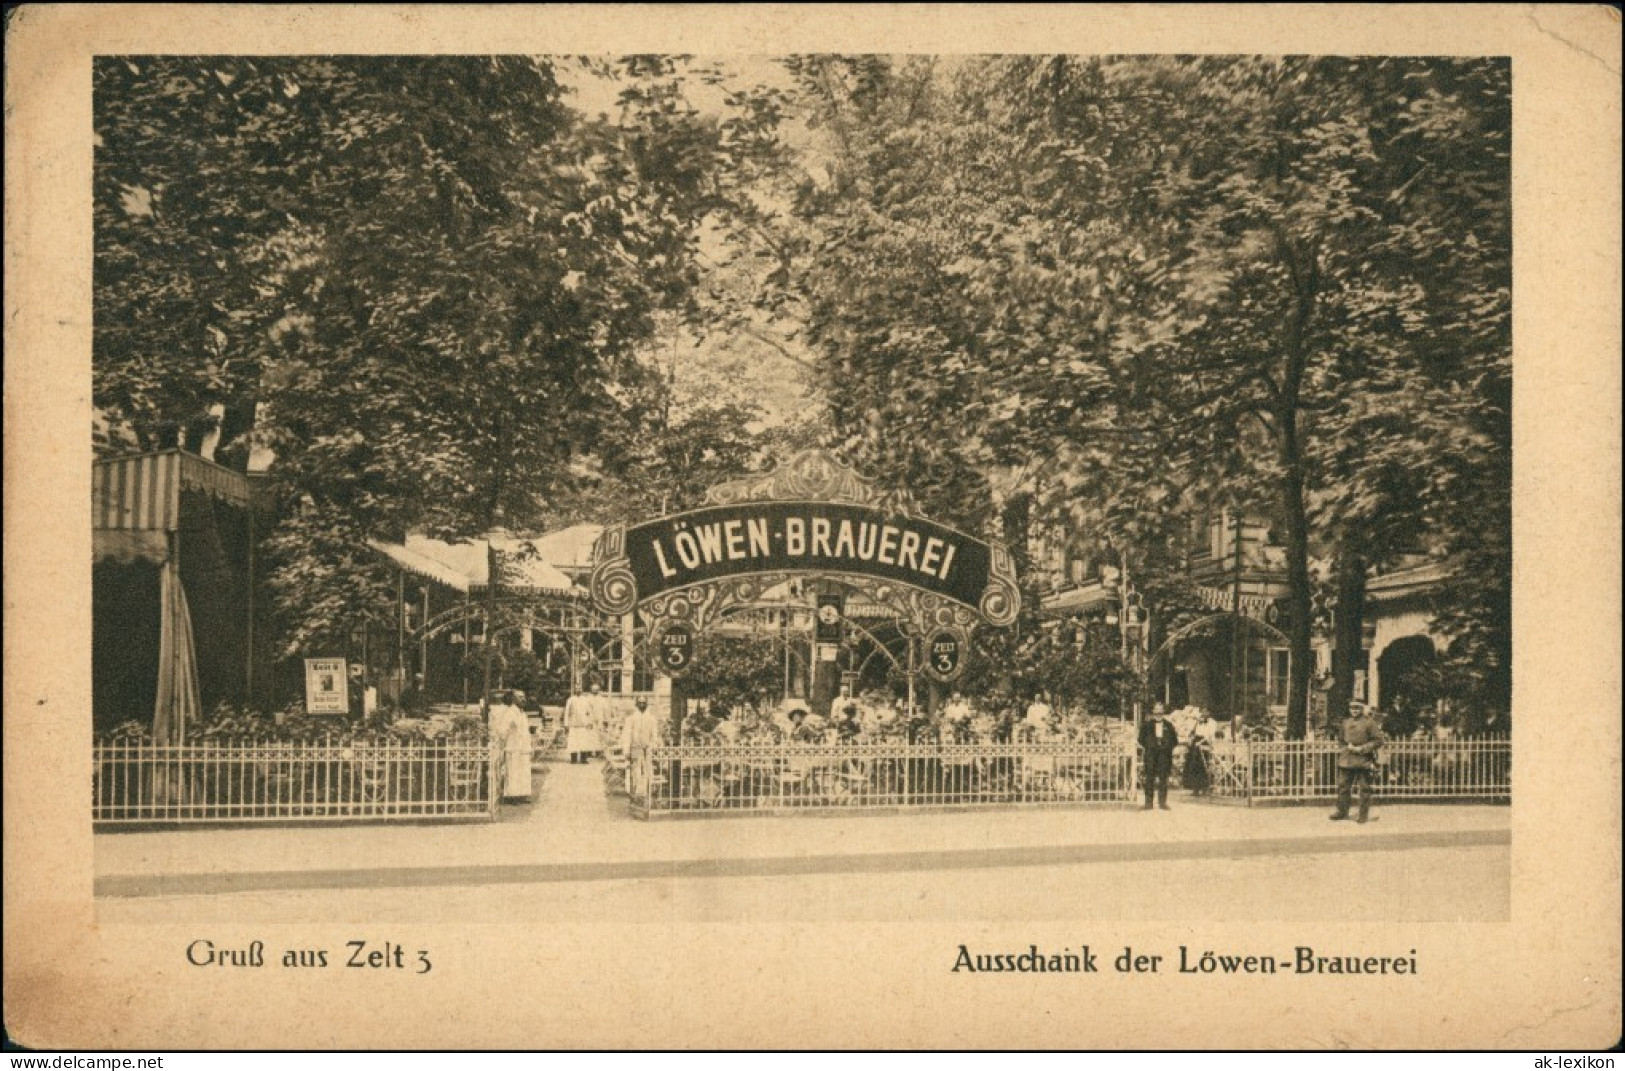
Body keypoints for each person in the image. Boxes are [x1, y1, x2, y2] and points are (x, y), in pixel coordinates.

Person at [1331, 701, 1388, 823]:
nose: (1354, 710)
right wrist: (1344, 747)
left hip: (1363, 760)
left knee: (1364, 789)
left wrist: (1361, 748)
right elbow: (1341, 739)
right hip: (1346, 760)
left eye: (1357, 708)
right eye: (1352, 708)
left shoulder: (1369, 723)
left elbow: (1378, 740)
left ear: (1362, 709)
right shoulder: (1346, 722)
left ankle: (1363, 815)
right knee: (1343, 787)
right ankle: (1342, 811)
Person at [489, 691, 532, 801]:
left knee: (523, 771)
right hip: (513, 746)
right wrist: (506, 736)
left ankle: (522, 794)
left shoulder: (522, 713)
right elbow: (502, 729)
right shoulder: (510, 712)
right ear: (514, 699)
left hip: (523, 747)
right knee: (513, 772)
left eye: (524, 697)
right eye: (520, 697)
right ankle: (512, 796)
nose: (523, 699)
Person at [1137, 703, 1179, 810]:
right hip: (1151, 753)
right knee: (1149, 777)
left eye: (1160, 710)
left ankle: (1162, 803)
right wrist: (1150, 745)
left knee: (1163, 778)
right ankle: (1148, 803)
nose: (1158, 712)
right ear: (1153, 711)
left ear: (1163, 711)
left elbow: (1174, 740)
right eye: (1156, 709)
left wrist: (1166, 747)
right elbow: (1140, 739)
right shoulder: (1146, 725)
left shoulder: (1169, 725)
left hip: (1164, 754)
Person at [618, 695, 662, 799]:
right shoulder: (631, 719)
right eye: (640, 702)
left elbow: (655, 735)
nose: (642, 704)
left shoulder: (651, 719)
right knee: (635, 771)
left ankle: (647, 793)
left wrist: (654, 746)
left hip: (648, 749)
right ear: (636, 704)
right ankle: (635, 794)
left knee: (648, 771)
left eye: (644, 702)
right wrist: (626, 750)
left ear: (647, 704)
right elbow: (626, 735)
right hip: (635, 748)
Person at [562, 682, 603, 764]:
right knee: (573, 742)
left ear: (581, 689)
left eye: (579, 688)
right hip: (573, 724)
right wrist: (566, 724)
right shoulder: (570, 700)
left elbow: (589, 712)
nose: (578, 690)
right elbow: (566, 712)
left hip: (583, 724)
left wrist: (590, 722)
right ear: (574, 690)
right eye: (576, 688)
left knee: (583, 742)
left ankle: (583, 759)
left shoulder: (585, 699)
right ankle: (573, 759)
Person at [1182, 711, 1213, 795]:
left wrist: (1200, 742)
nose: (1201, 718)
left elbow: (1208, 736)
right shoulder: (1197, 724)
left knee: (1201, 765)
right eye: (1201, 717)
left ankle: (1203, 787)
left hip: (1203, 744)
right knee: (1192, 765)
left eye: (1203, 717)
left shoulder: (1209, 725)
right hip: (1195, 744)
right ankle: (1195, 788)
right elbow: (1193, 733)